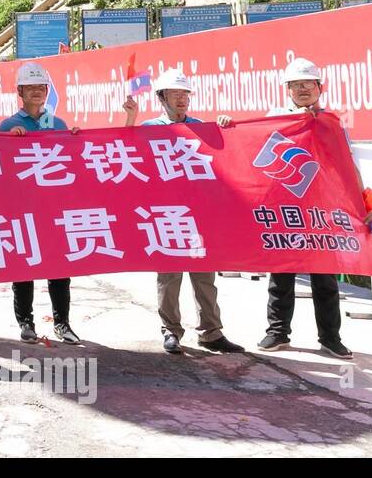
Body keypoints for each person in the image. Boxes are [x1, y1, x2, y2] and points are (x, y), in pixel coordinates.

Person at [123, 68, 245, 355]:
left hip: (199, 214)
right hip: (166, 212)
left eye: (185, 93)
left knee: (205, 275)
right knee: (169, 275)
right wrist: (130, 117)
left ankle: (211, 332)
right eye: (176, 93)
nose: (182, 99)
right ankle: (171, 331)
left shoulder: (200, 127)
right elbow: (125, 147)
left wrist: (225, 125)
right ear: (162, 97)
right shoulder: (151, 127)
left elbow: (225, 149)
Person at [255, 57, 356, 360]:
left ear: (319, 88)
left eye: (307, 84)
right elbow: (251, 146)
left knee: (324, 277)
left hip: (322, 210)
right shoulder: (275, 117)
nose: (301, 89)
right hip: (285, 208)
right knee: (282, 273)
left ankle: (330, 338)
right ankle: (277, 332)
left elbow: (347, 163)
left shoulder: (332, 122)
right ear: (286, 90)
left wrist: (356, 201)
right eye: (295, 85)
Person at [0, 63, 85, 344]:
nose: (36, 92)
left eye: (41, 87)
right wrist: (10, 142)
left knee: (60, 268)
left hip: (53, 207)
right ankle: (26, 323)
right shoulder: (8, 126)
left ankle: (62, 323)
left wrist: (74, 139)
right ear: (20, 91)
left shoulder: (57, 124)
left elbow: (71, 163)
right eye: (31, 87)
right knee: (25, 267)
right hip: (23, 207)